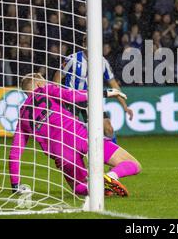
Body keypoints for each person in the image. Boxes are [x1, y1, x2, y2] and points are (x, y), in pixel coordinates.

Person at [9, 73, 141, 197]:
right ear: (38, 84)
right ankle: (111, 176)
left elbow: (14, 153)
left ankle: (95, 187)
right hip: (80, 136)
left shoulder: (22, 117)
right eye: (44, 81)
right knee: (133, 164)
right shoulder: (46, 90)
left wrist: (15, 184)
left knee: (78, 187)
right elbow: (73, 96)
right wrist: (104, 93)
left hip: (61, 152)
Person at [53, 35, 133, 144]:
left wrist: (125, 105)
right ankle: (73, 158)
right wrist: (57, 97)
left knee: (108, 129)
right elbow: (58, 75)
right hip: (72, 99)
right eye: (88, 43)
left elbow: (113, 83)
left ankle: (114, 155)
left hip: (91, 100)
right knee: (72, 133)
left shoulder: (102, 62)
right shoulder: (72, 59)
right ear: (83, 45)